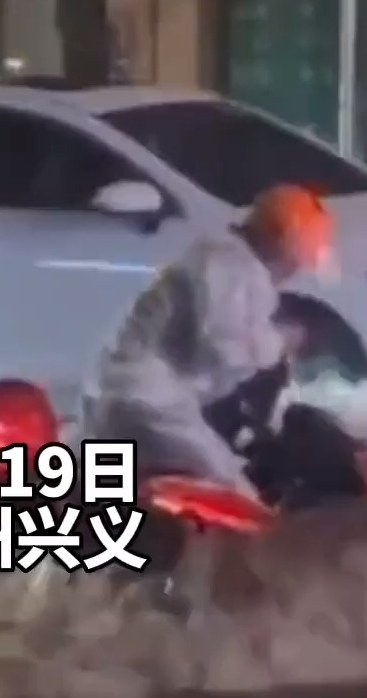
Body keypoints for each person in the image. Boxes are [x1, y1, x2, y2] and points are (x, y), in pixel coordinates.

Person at [80, 185, 336, 491]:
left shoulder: (231, 260)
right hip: (147, 399)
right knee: (232, 494)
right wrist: (279, 342)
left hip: (128, 393)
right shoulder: (226, 263)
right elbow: (223, 347)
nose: (297, 269)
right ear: (284, 242)